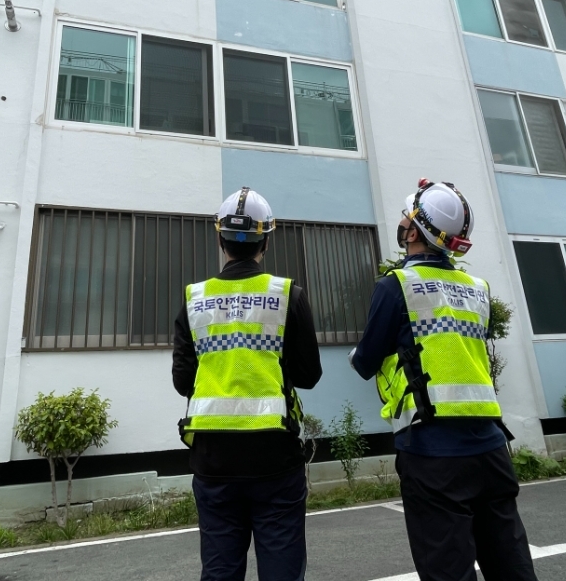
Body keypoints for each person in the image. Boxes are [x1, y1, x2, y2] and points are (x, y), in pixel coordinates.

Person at [349, 178, 538, 581]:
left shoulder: (396, 285)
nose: (402, 223)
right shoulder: (477, 288)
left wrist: (361, 353)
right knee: (510, 562)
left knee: (447, 568)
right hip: (491, 444)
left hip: (432, 448)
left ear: (414, 232)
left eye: (406, 217)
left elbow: (366, 362)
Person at [173, 186, 322, 581]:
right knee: (282, 570)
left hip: (213, 459)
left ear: (220, 239)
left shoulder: (194, 299)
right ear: (265, 241)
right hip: (275, 457)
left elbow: (183, 381)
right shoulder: (288, 295)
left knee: (220, 570)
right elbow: (309, 376)